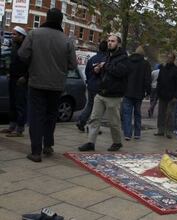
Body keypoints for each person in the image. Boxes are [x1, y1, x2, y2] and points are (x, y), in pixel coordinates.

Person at [18, 8, 77, 162]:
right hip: (56, 85)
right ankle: (48, 145)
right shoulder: (67, 40)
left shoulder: (34, 34)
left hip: (36, 82)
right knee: (51, 116)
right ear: (61, 21)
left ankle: (36, 152)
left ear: (46, 18)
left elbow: (22, 55)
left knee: (36, 116)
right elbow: (72, 65)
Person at [78, 34, 129, 152]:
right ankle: (91, 142)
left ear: (118, 44)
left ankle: (117, 142)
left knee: (113, 122)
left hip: (114, 94)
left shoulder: (123, 58)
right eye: (108, 41)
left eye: (113, 41)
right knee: (94, 118)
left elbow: (119, 72)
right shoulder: (107, 56)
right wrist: (98, 70)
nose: (110, 43)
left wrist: (105, 66)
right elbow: (105, 73)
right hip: (101, 93)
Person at [0, 26, 28, 137]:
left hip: (21, 79)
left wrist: (25, 77)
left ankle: (20, 129)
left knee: (20, 104)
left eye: (14, 34)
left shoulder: (26, 48)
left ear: (21, 36)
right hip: (12, 77)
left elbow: (30, 64)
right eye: (12, 34)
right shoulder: (14, 46)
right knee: (12, 103)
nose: (12, 36)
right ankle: (12, 126)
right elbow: (11, 61)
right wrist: (8, 72)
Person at [76, 41, 108, 132]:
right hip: (100, 87)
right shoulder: (106, 60)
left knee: (90, 105)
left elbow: (87, 72)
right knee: (99, 108)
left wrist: (90, 80)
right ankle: (93, 127)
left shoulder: (92, 59)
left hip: (91, 85)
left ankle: (81, 121)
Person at [122, 46, 151, 140]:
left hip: (127, 91)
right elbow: (147, 79)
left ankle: (127, 133)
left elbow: (124, 76)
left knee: (127, 114)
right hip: (139, 92)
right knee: (137, 113)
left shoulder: (128, 61)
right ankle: (137, 133)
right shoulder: (146, 64)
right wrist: (148, 91)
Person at [154, 53, 177, 139]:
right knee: (161, 113)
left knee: (170, 114)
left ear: (173, 59)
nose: (168, 59)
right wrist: (158, 92)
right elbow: (159, 81)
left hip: (171, 96)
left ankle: (169, 131)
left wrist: (176, 96)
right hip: (162, 95)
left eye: (170, 58)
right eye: (168, 57)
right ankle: (160, 130)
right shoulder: (163, 69)